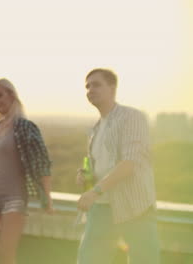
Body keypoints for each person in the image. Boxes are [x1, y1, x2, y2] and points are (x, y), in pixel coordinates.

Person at [76, 68, 160, 263]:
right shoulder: (95, 128)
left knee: (143, 259)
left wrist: (94, 191)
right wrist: (85, 174)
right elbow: (101, 165)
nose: (90, 90)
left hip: (134, 206)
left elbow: (130, 163)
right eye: (87, 86)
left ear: (112, 87)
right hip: (101, 207)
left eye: (96, 84)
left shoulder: (132, 117)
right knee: (89, 259)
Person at [0, 78, 53, 264]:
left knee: (5, 253)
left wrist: (47, 197)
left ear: (12, 95)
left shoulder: (25, 126)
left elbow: (42, 163)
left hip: (14, 197)